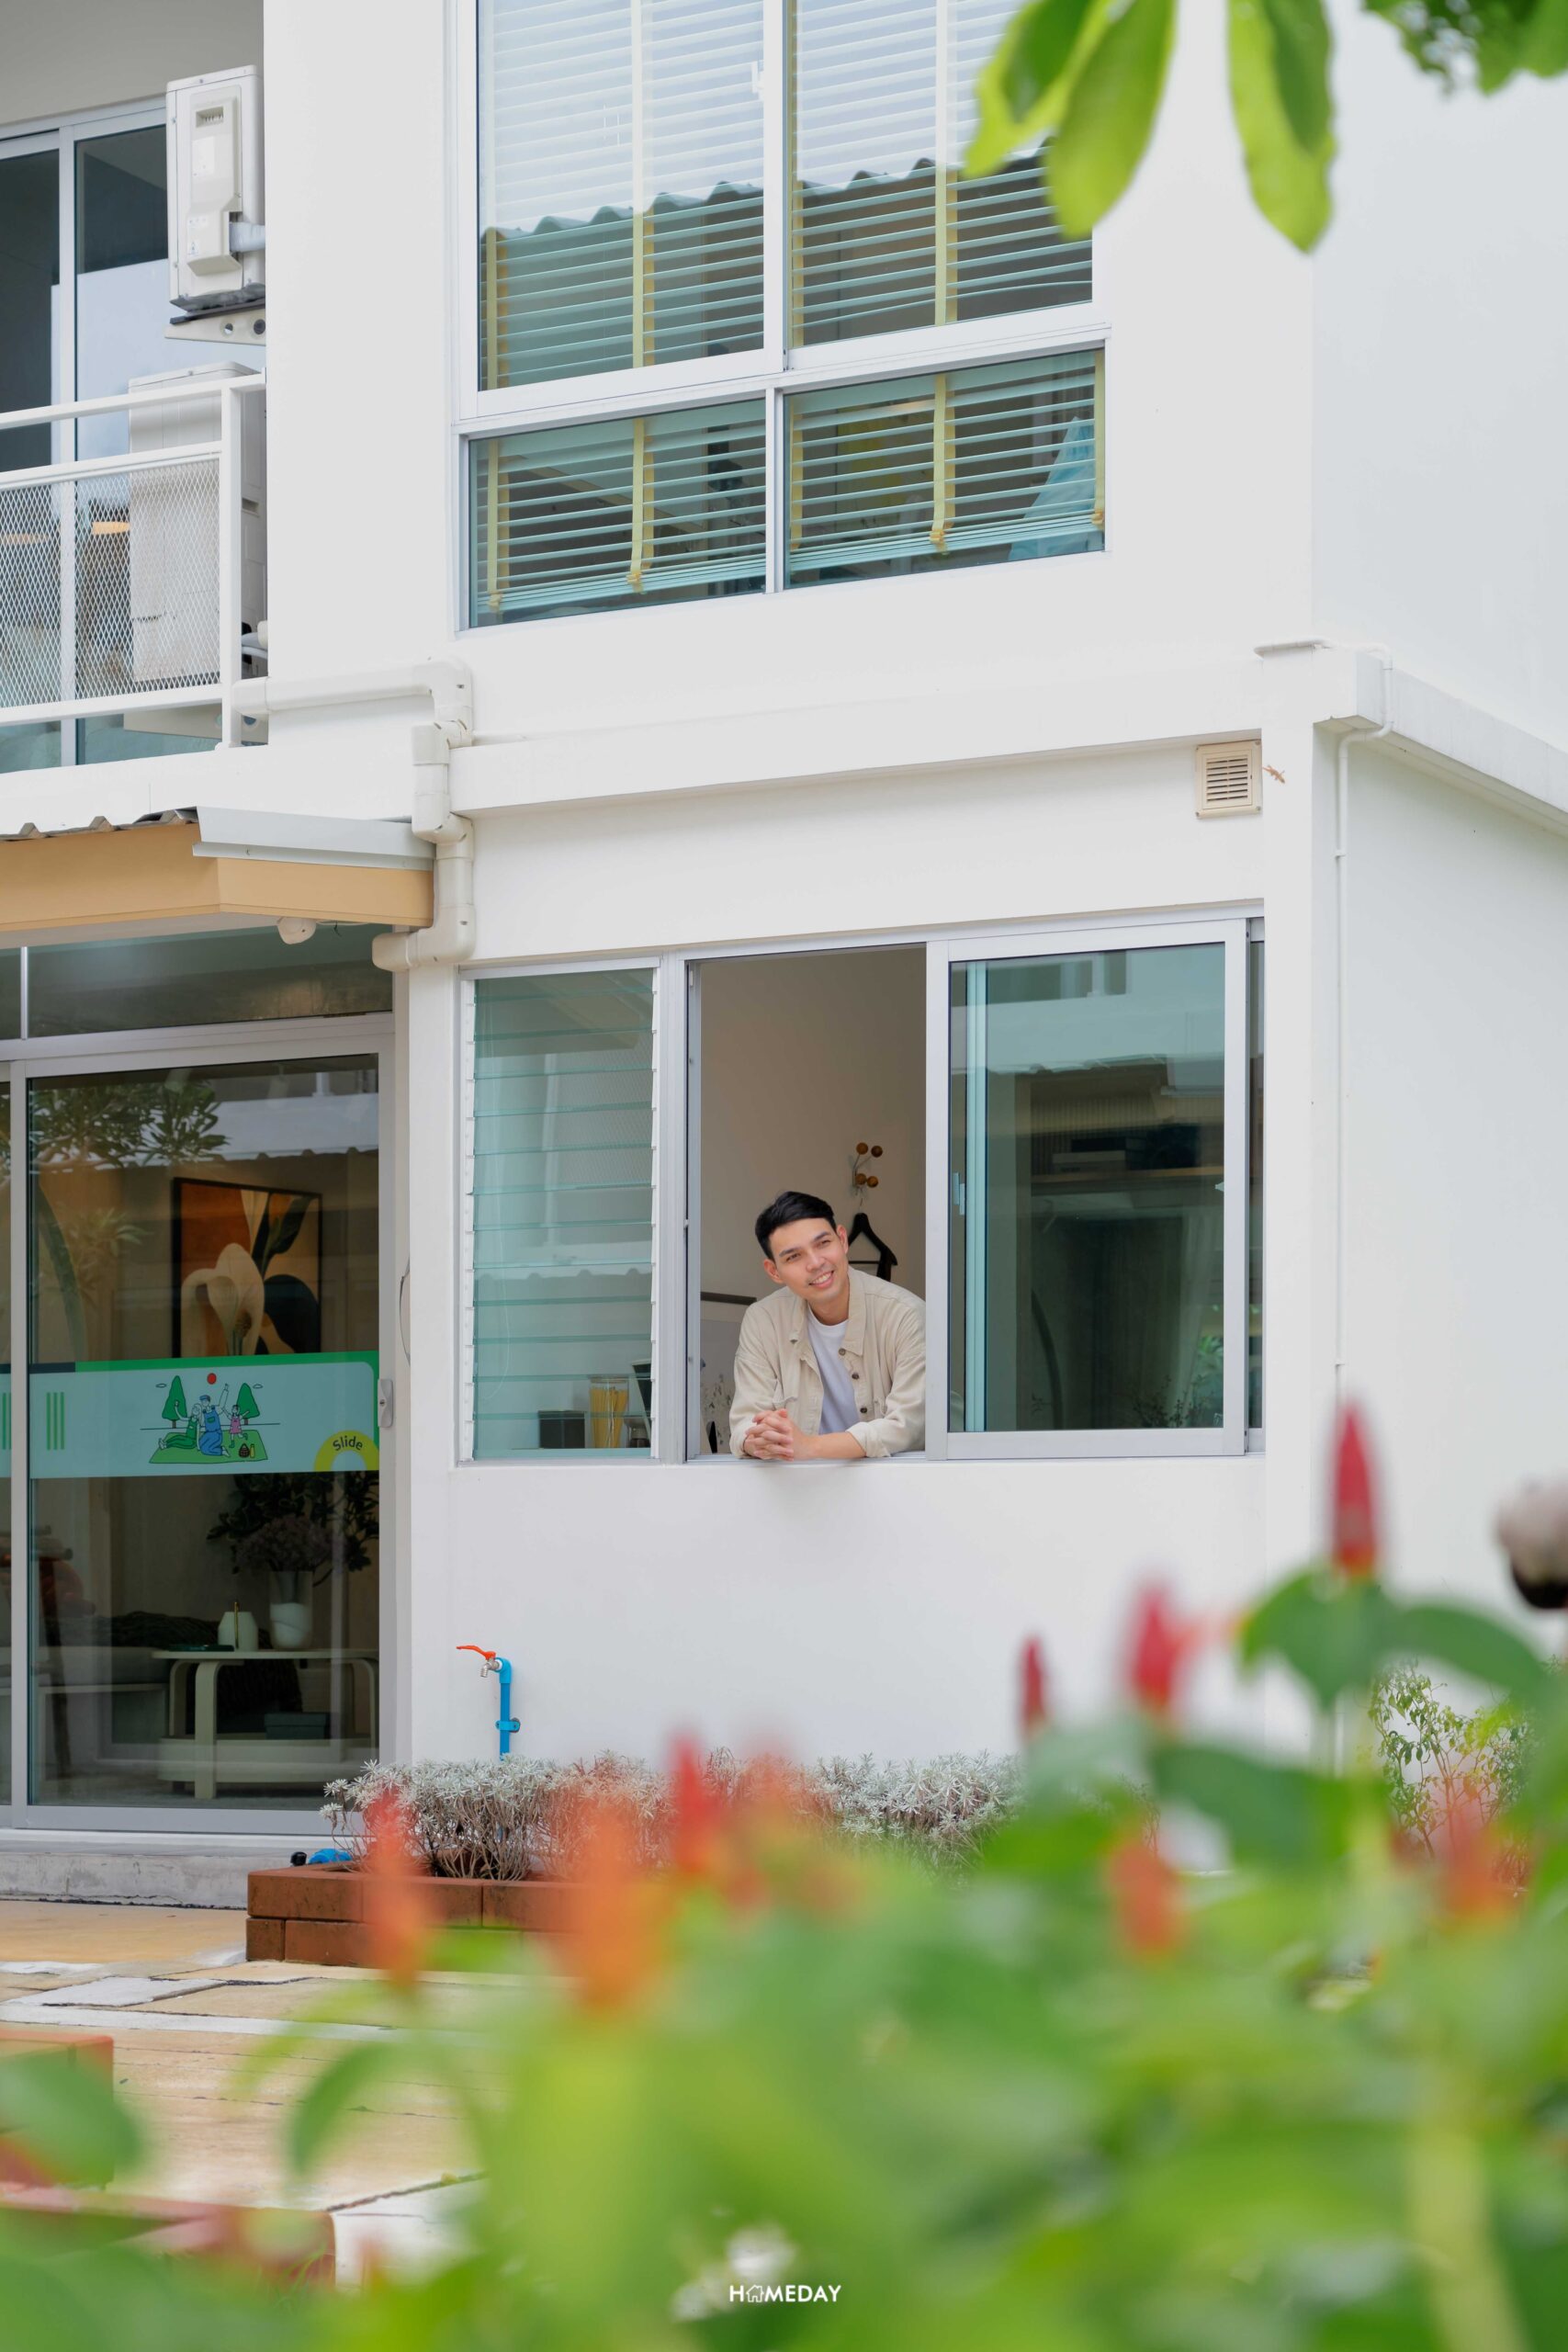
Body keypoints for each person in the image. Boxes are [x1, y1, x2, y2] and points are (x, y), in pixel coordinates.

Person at [730, 1190, 925, 1462]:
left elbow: (909, 1425)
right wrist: (759, 1439)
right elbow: (746, 1421)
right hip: (802, 1483)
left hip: (901, 1481)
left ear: (842, 1240)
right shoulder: (763, 1320)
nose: (815, 1263)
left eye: (823, 1243)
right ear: (774, 1271)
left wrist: (810, 1447)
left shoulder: (905, 1314)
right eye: (793, 1257)